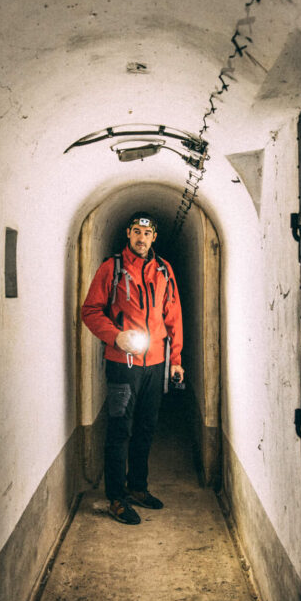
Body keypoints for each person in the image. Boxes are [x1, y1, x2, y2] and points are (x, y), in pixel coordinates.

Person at [81, 211, 184, 525]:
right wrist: (116, 336)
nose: (141, 238)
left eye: (147, 234)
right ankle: (116, 498)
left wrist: (176, 360)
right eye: (136, 232)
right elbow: (90, 311)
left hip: (155, 364)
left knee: (145, 427)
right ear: (128, 234)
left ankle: (137, 487)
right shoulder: (111, 268)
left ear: (154, 238)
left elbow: (174, 316)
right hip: (122, 365)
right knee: (119, 430)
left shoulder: (164, 270)